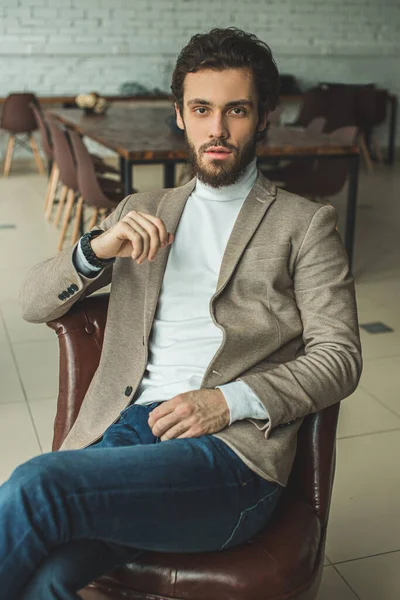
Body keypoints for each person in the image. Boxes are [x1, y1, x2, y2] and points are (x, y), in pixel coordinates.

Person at [1, 27, 362, 599]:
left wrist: (228, 402)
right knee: (48, 577)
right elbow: (30, 304)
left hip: (229, 458)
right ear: (180, 115)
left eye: (236, 110)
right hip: (126, 433)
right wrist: (94, 249)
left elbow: (340, 357)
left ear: (263, 116)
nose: (217, 129)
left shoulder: (304, 224)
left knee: (35, 487)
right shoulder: (142, 209)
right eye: (202, 109)